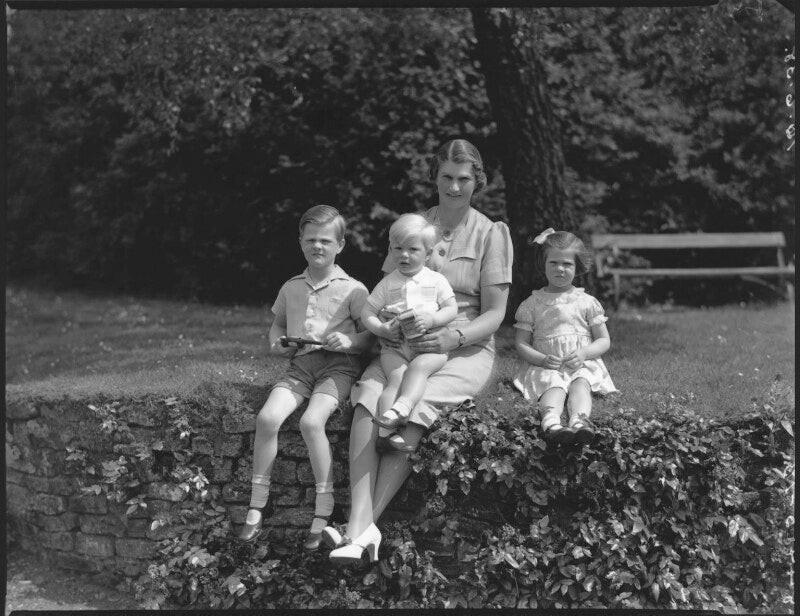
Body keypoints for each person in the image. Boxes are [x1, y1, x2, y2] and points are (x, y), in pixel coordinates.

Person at [322, 139, 513, 565]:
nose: (454, 187)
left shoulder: (491, 233)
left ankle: (358, 527)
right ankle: (362, 529)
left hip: (462, 344)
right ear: (435, 177)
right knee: (368, 400)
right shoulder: (411, 227)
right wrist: (380, 332)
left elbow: (495, 314)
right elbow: (384, 293)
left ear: (477, 182)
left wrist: (452, 337)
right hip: (401, 342)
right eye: (447, 177)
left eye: (464, 179)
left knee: (415, 407)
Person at [237, 205, 373, 550]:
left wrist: (350, 341)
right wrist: (277, 342)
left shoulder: (354, 289)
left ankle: (324, 508)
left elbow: (371, 336)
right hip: (300, 367)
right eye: (311, 239)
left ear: (340, 245)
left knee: (312, 422)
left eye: (326, 240)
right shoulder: (291, 287)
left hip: (338, 368)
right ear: (300, 242)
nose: (318, 246)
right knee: (267, 417)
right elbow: (278, 324)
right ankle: (257, 503)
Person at [361, 213, 458, 450]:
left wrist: (433, 318)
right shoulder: (387, 283)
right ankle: (386, 434)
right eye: (398, 248)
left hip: (429, 345)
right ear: (390, 250)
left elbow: (451, 309)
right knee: (395, 380)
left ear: (428, 253)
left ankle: (402, 407)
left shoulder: (436, 280)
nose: (404, 255)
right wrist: (381, 329)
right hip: (395, 346)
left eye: (412, 249)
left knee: (418, 369)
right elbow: (367, 312)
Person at [512, 228, 617, 445]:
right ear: (543, 264)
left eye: (567, 264)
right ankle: (551, 423)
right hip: (548, 364)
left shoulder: (586, 302)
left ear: (577, 267)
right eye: (553, 263)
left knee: (581, 383)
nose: (560, 269)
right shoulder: (532, 304)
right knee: (553, 386)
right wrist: (541, 359)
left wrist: (584, 353)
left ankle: (580, 422)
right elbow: (521, 343)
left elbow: (603, 340)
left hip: (579, 363)